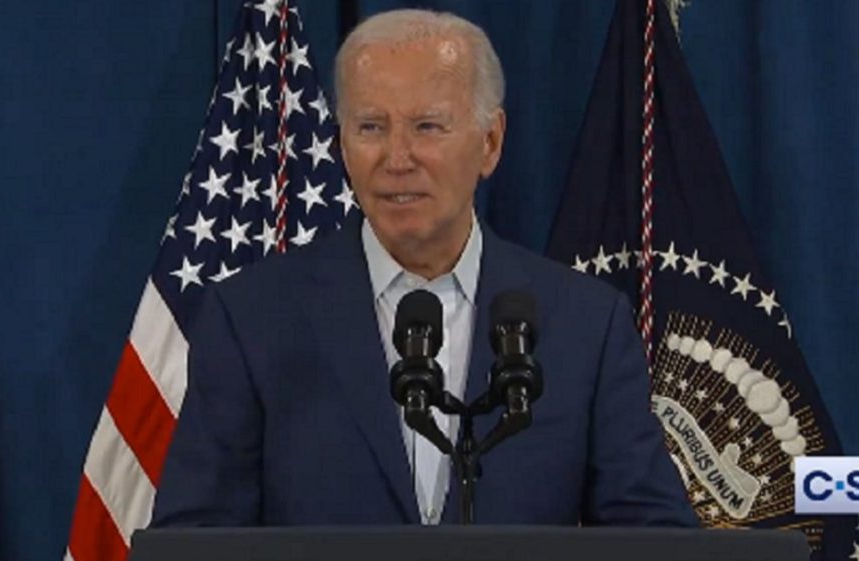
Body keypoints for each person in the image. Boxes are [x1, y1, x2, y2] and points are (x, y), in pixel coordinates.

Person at [151, 9, 696, 527]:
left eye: (428, 126)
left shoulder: (585, 325)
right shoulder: (252, 319)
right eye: (370, 127)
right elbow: (196, 536)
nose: (397, 158)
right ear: (341, 143)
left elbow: (655, 537)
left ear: (491, 142)